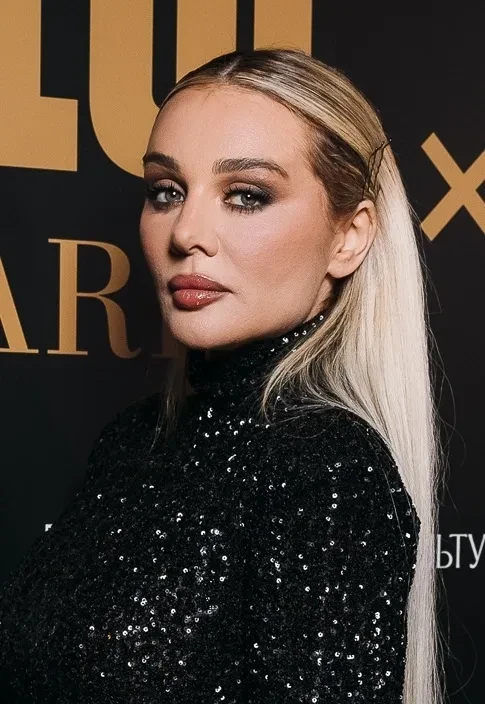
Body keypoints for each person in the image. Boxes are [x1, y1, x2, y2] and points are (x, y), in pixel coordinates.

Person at [0, 48, 444, 703]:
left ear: (348, 237)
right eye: (166, 191)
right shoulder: (130, 441)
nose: (186, 232)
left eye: (245, 196)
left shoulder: (322, 465)